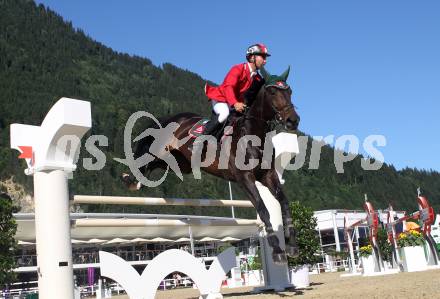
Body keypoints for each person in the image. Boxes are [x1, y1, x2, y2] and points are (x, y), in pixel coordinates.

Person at [202, 43, 270, 137]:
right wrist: (235, 103)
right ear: (252, 57)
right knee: (224, 114)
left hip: (236, 104)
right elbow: (228, 87)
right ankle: (199, 141)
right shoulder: (237, 69)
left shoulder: (258, 78)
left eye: (266, 58)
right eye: (263, 57)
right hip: (221, 99)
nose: (265, 61)